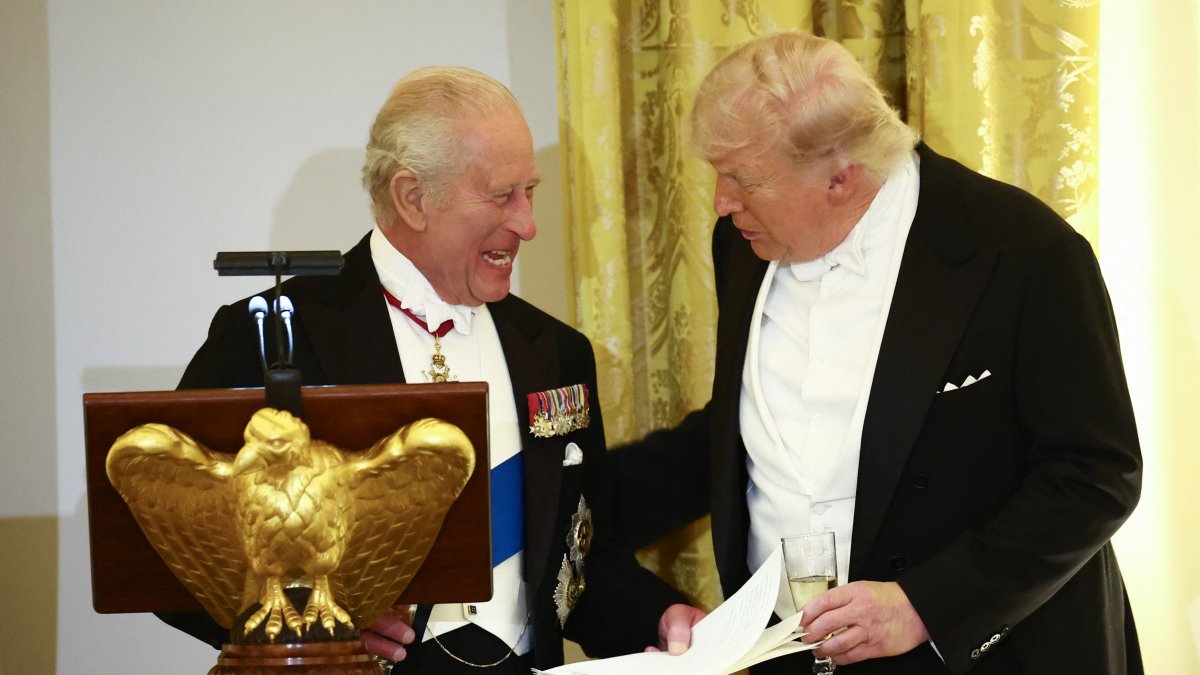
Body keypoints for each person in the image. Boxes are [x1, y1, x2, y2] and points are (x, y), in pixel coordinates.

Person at [606, 32, 1143, 674]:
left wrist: (925, 605)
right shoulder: (742, 246)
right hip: (791, 656)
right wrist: (564, 499)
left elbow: (1095, 474)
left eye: (742, 179)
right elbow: (747, 429)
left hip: (985, 656)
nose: (721, 202)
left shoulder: (1023, 253)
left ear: (840, 176)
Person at [160, 66, 691, 673]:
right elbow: (168, 548)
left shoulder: (555, 352)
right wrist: (302, 625)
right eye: (501, 195)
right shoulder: (276, 335)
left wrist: (660, 616)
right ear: (413, 198)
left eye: (530, 191)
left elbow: (580, 560)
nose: (527, 224)